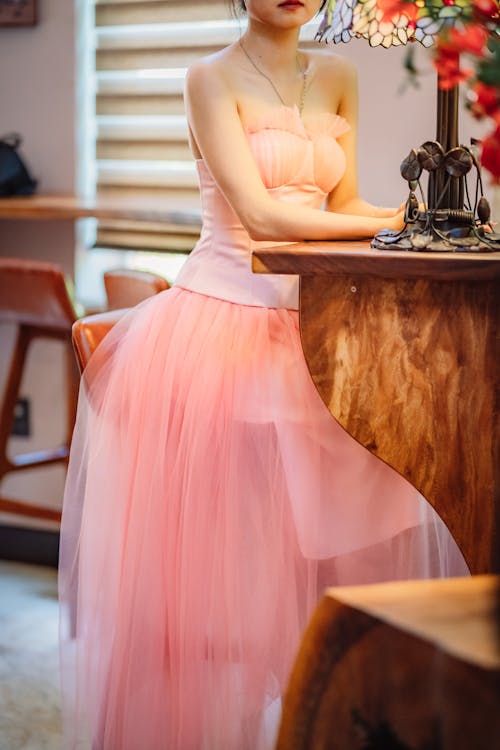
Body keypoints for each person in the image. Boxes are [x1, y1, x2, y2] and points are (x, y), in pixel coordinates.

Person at [58, 2, 469, 748]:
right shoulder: (207, 79)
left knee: (389, 483)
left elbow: (340, 205)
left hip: (316, 320)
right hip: (222, 319)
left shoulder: (339, 74)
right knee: (236, 575)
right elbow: (263, 214)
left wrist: (427, 220)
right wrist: (409, 217)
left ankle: (332, 709)